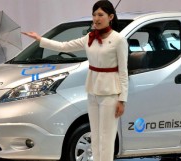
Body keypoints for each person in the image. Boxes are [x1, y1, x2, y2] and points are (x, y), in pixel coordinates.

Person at [22, 1, 128, 161]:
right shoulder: (89, 37)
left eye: (100, 15)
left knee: (107, 137)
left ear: (110, 17)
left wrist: (122, 99)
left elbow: (123, 71)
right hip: (92, 91)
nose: (96, 18)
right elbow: (65, 46)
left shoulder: (119, 39)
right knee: (96, 135)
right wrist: (40, 40)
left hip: (110, 93)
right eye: (94, 15)